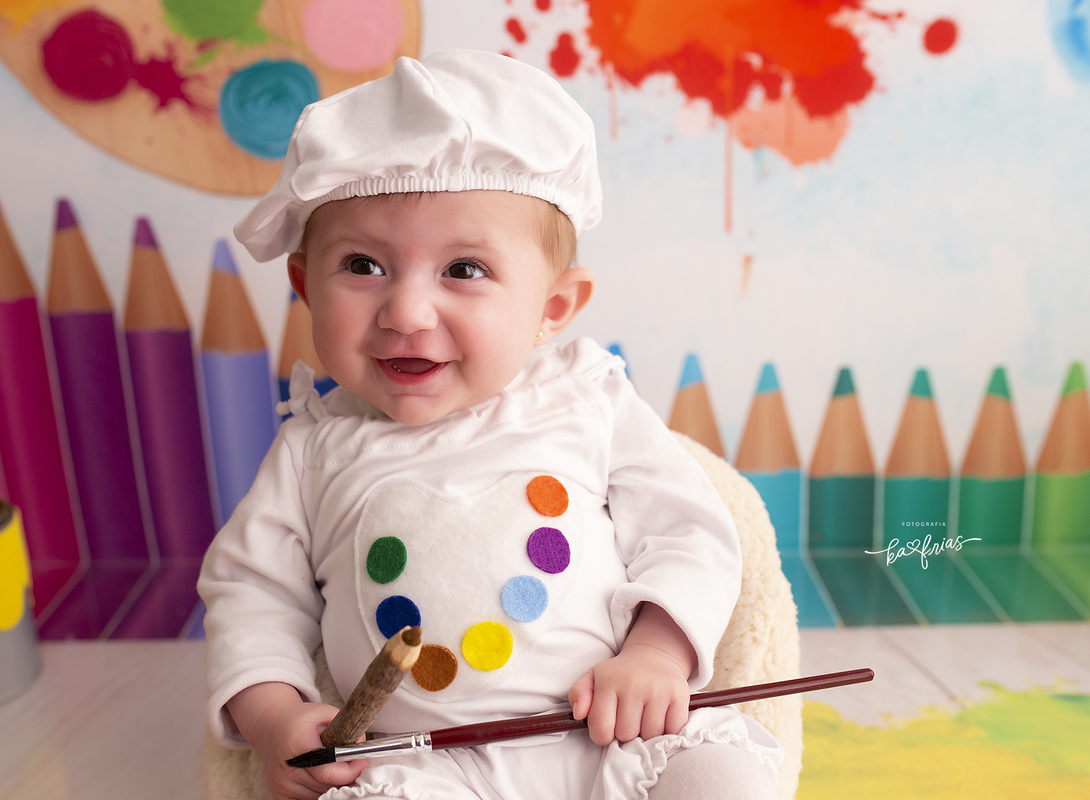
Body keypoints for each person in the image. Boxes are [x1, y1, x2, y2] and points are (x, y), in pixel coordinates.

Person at [199, 50, 783, 800]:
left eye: (465, 270)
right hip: (420, 765)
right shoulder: (313, 446)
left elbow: (689, 533)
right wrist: (274, 717)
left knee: (716, 776)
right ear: (306, 285)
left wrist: (657, 656)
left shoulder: (587, 403)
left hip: (610, 734)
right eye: (363, 265)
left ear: (552, 309)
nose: (406, 313)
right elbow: (253, 594)